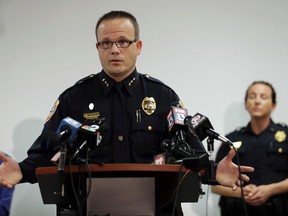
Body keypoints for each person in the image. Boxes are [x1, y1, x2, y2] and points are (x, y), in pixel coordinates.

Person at [0, 10, 253, 216]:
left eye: (123, 42)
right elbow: (47, 152)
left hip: (156, 208)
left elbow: (190, 151)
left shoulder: (163, 97)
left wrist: (213, 172)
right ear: (97, 47)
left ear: (138, 46)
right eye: (106, 43)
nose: (115, 50)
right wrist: (21, 171)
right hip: (88, 208)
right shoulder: (73, 99)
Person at [212, 81, 288, 216]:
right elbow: (215, 185)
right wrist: (243, 193)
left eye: (263, 97)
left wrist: (270, 190)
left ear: (274, 105)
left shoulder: (286, 136)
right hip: (237, 210)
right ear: (246, 103)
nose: (257, 101)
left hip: (278, 209)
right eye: (252, 96)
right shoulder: (231, 139)